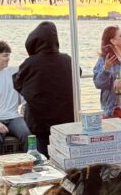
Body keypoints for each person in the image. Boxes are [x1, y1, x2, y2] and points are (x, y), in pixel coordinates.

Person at [13, 22, 75, 156]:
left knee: (41, 163)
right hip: (66, 122)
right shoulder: (68, 60)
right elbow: (77, 75)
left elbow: (18, 83)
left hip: (39, 123)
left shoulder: (30, 63)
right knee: (63, 159)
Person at [92, 26, 121, 117]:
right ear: (113, 41)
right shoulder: (105, 59)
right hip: (113, 111)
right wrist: (106, 69)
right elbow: (98, 84)